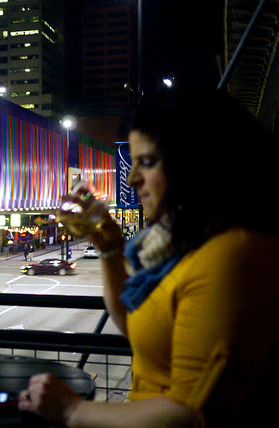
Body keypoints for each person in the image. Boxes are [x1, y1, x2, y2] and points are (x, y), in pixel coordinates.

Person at [18, 88, 279, 427]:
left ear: (197, 162)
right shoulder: (185, 244)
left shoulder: (231, 254)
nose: (131, 178)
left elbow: (190, 413)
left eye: (148, 162)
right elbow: (135, 325)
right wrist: (110, 249)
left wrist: (72, 410)